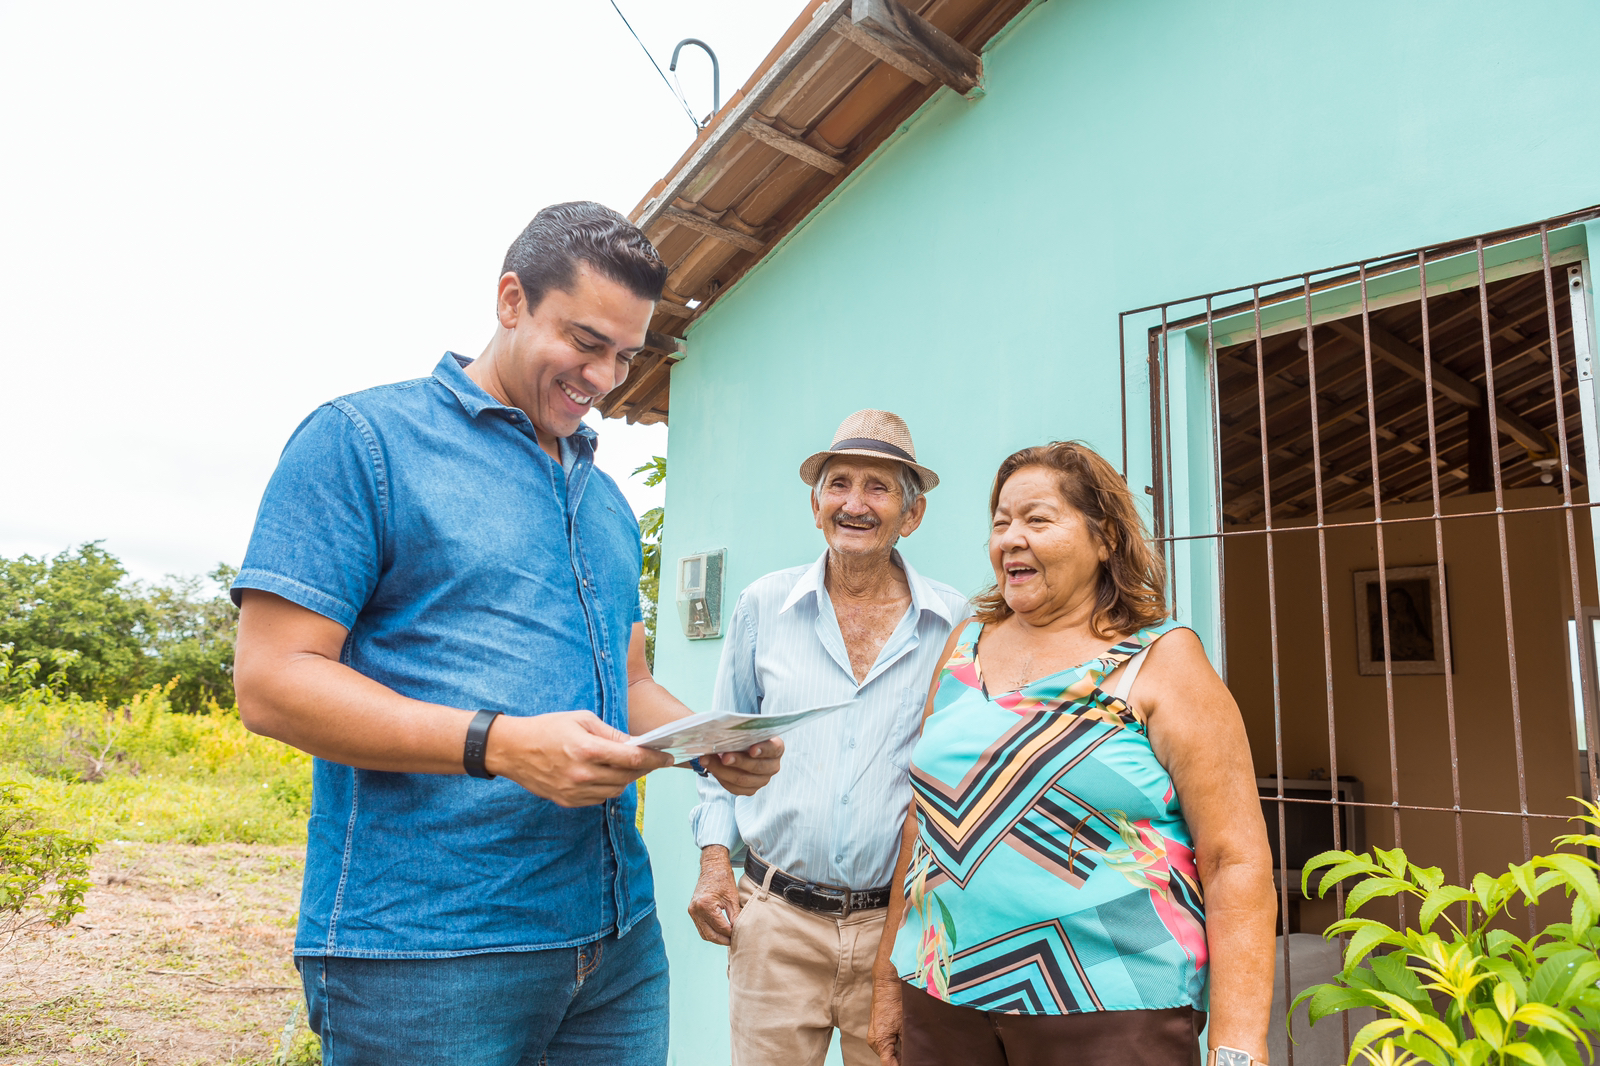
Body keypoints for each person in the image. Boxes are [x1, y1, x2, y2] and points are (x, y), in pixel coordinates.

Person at [230, 202, 783, 1066]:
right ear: (512, 299)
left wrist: (703, 746)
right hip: (430, 950)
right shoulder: (363, 442)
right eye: (586, 342)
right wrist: (500, 745)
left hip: (616, 939)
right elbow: (272, 680)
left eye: (625, 356)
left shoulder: (604, 501)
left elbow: (626, 681)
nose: (602, 377)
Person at [867, 441, 1275, 1066]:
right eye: (1000, 522)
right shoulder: (962, 648)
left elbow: (1234, 860)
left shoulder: (1161, 661)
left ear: (1106, 537)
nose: (1011, 538)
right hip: (941, 1002)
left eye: (1037, 519)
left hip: (1114, 1014)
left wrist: (1238, 1048)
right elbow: (923, 824)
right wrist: (886, 981)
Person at [686, 410, 970, 1066]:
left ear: (912, 513)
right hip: (775, 920)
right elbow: (717, 754)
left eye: (878, 487)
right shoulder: (763, 605)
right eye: (838, 484)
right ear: (816, 505)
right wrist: (711, 861)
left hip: (898, 930)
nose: (854, 503)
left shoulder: (952, 621)